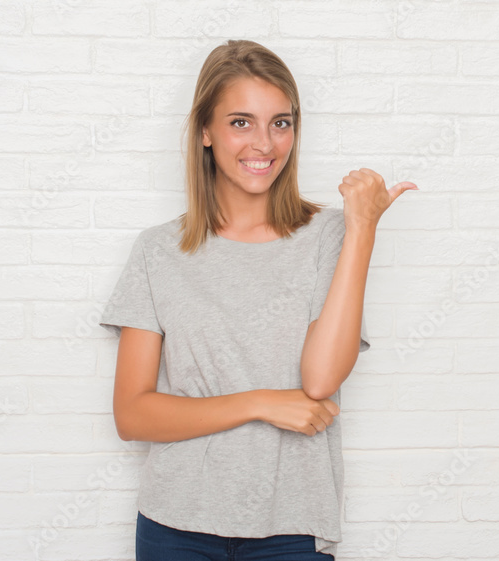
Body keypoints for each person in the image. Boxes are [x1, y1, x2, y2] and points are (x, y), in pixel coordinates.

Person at [98, 39, 417, 561]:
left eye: (281, 123)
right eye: (241, 122)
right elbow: (132, 415)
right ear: (205, 131)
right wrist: (260, 403)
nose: (263, 143)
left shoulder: (327, 237)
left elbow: (319, 380)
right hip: (175, 524)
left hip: (291, 525)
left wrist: (362, 230)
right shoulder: (158, 251)